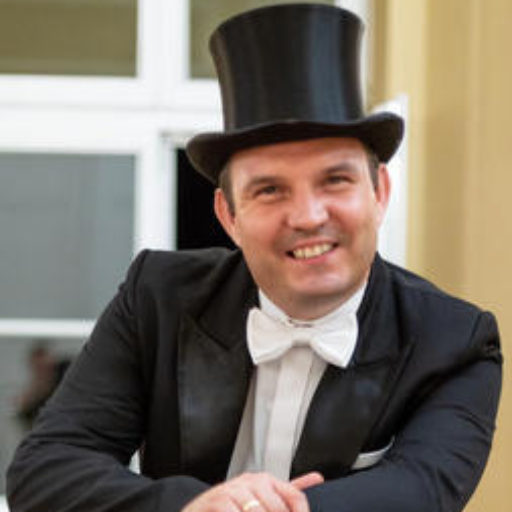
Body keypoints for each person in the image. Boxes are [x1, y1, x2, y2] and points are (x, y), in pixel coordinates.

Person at [6, 4, 501, 512]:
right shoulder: (156, 297)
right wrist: (194, 506)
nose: (308, 216)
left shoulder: (455, 341)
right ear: (229, 215)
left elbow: (421, 492)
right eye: (270, 190)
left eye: (335, 180)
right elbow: (45, 471)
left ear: (380, 192)